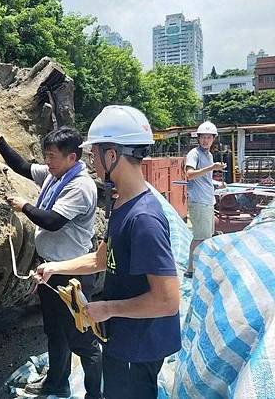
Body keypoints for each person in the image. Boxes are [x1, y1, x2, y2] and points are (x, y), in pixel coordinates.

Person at [34, 105, 181, 399]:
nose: (92, 164)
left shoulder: (144, 220)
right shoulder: (121, 204)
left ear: (111, 155)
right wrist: (56, 267)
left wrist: (108, 308)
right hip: (123, 339)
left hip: (138, 347)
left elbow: (167, 300)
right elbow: (101, 259)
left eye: (94, 155)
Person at [0, 125, 102, 399]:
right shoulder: (55, 175)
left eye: (51, 156)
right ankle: (57, 383)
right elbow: (23, 167)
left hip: (73, 274)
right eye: (46, 156)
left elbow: (52, 221)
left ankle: (95, 395)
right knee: (55, 330)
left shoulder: (80, 186)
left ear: (72, 158)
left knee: (82, 340)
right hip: (51, 269)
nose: (46, 162)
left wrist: (24, 206)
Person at [184, 121, 226, 277]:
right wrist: (212, 168)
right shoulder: (194, 154)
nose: (205, 140)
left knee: (206, 237)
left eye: (209, 137)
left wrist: (216, 183)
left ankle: (199, 267)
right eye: (203, 137)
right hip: (198, 201)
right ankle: (191, 269)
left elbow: (204, 178)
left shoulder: (208, 155)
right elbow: (189, 174)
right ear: (198, 138)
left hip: (208, 201)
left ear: (213, 139)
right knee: (200, 237)